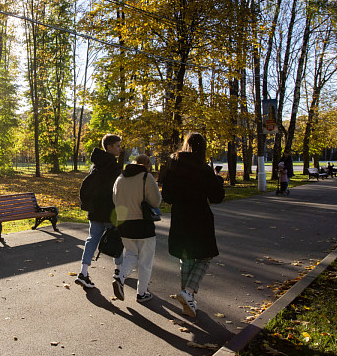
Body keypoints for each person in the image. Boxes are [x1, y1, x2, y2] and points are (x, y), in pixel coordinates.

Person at [161, 133, 225, 317]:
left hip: (180, 217)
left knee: (186, 257)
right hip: (200, 217)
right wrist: (217, 179)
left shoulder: (173, 166)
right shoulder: (203, 168)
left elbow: (167, 197)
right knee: (205, 257)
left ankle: (187, 300)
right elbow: (217, 197)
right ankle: (188, 292)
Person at [111, 155, 161, 302]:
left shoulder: (120, 178)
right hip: (143, 223)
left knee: (131, 254)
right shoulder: (146, 177)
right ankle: (142, 293)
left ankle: (120, 278)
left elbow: (115, 200)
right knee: (146, 260)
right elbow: (155, 200)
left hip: (124, 223)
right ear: (147, 165)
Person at [75, 134, 123, 288]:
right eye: (117, 145)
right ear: (109, 147)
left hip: (95, 210)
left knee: (92, 239)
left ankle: (83, 272)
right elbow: (117, 191)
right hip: (109, 211)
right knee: (116, 239)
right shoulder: (113, 166)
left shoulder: (95, 164)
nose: (119, 148)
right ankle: (118, 271)